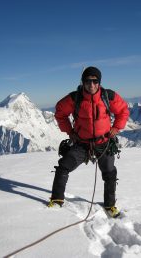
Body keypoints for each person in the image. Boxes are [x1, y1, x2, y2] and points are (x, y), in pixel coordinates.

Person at [48, 66, 129, 217]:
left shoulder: (108, 96)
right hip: (82, 144)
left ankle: (110, 206)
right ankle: (57, 199)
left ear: (99, 82)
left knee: (109, 173)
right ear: (83, 82)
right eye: (87, 81)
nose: (91, 85)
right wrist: (70, 131)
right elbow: (60, 112)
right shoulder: (75, 98)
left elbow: (123, 110)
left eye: (94, 81)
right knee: (63, 167)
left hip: (103, 142)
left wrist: (117, 127)